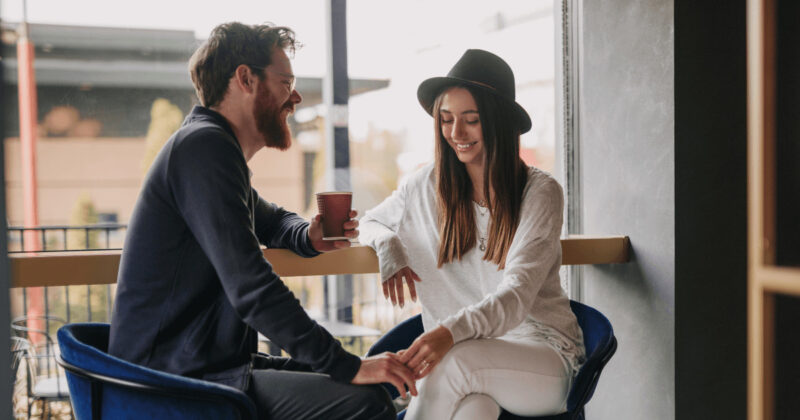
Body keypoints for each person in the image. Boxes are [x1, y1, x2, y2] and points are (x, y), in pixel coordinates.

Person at [108, 22, 416, 420]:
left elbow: (270, 219)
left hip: (205, 366)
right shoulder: (205, 148)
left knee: (370, 392)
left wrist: (308, 235)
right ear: (245, 79)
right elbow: (252, 287)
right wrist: (348, 365)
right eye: (286, 82)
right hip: (171, 382)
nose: (297, 97)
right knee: (362, 400)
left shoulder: (210, 148)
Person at [359, 49, 586, 419]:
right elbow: (372, 222)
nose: (455, 133)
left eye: (471, 120)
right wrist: (388, 246)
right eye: (446, 120)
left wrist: (447, 333)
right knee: (471, 410)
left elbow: (515, 296)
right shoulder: (424, 186)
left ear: (497, 122)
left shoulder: (539, 193)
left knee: (455, 364)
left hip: (543, 358)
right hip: (469, 365)